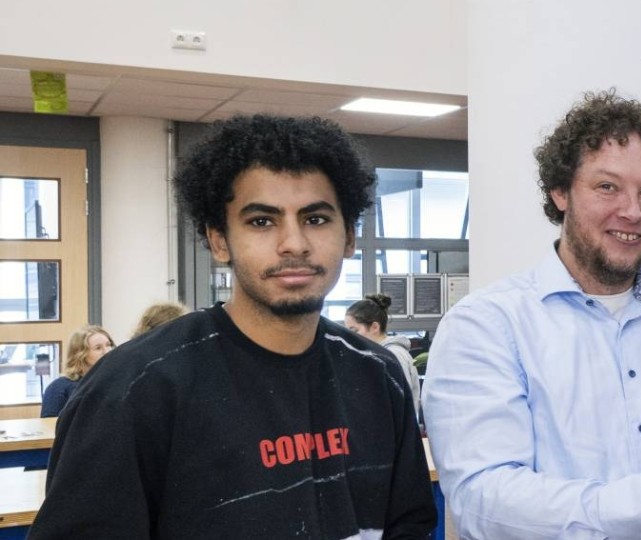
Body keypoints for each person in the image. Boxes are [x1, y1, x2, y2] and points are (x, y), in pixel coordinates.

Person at [34, 114, 435, 538]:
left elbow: (408, 524)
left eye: (316, 219)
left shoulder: (378, 374)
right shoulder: (136, 388)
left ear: (349, 236)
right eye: (262, 221)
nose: (294, 243)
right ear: (219, 240)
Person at [425, 90, 641, 539]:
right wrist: (638, 502)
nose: (632, 212)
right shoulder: (486, 326)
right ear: (559, 192)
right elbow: (483, 498)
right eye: (607, 187)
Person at [345, 293, 422, 420]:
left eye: (354, 330)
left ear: (374, 327)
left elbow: (399, 402)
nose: (350, 336)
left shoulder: (394, 355)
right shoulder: (375, 355)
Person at [39, 325, 113, 418]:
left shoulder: (116, 382)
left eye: (109, 345)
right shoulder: (59, 387)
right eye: (98, 348)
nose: (107, 351)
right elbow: (49, 426)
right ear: (80, 354)